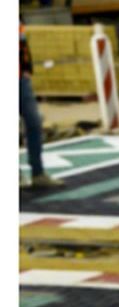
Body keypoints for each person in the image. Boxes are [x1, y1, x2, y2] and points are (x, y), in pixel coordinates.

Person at [19, 24, 58, 189]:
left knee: (34, 122)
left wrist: (27, 69)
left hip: (20, 79)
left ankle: (38, 172)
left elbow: (22, 43)